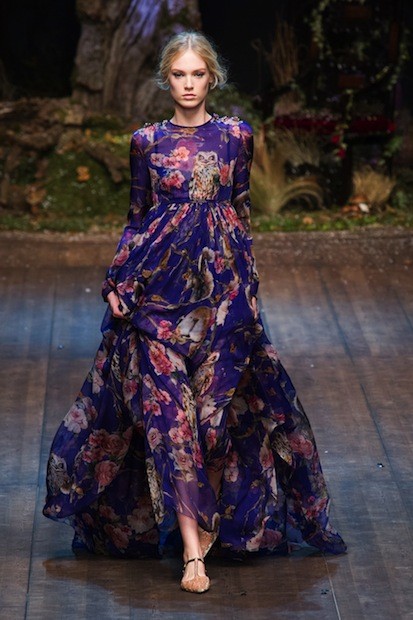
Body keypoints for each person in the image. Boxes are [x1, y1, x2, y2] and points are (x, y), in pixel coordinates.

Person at [43, 31, 346, 594]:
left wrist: (248, 289)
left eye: (197, 74)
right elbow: (138, 218)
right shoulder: (146, 142)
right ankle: (191, 554)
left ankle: (206, 524)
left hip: (223, 303)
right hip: (157, 302)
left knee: (211, 422)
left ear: (212, 78)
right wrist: (118, 281)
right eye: (179, 75)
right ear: (167, 79)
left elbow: (241, 214)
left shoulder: (236, 136)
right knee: (171, 423)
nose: (188, 84)